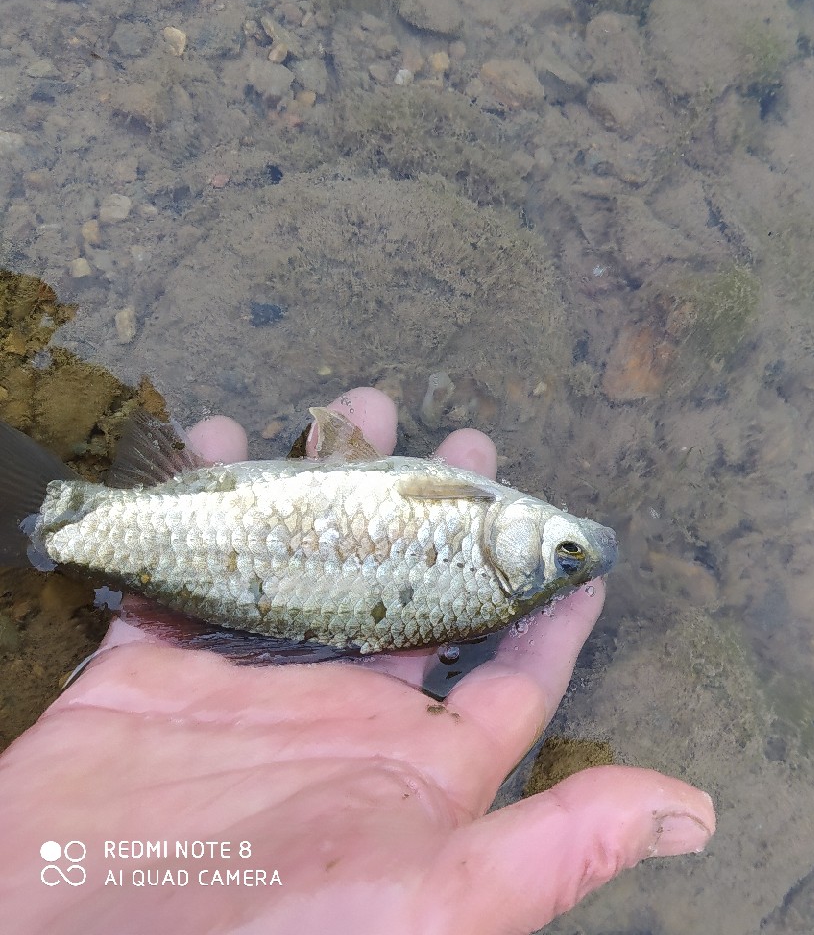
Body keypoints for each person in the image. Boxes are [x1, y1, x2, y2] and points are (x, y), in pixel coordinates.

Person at [0, 387, 715, 934]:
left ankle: (56, 524)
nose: (578, 543)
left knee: (109, 500)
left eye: (567, 553)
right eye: (567, 554)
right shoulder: (477, 565)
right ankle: (57, 523)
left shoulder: (469, 527)